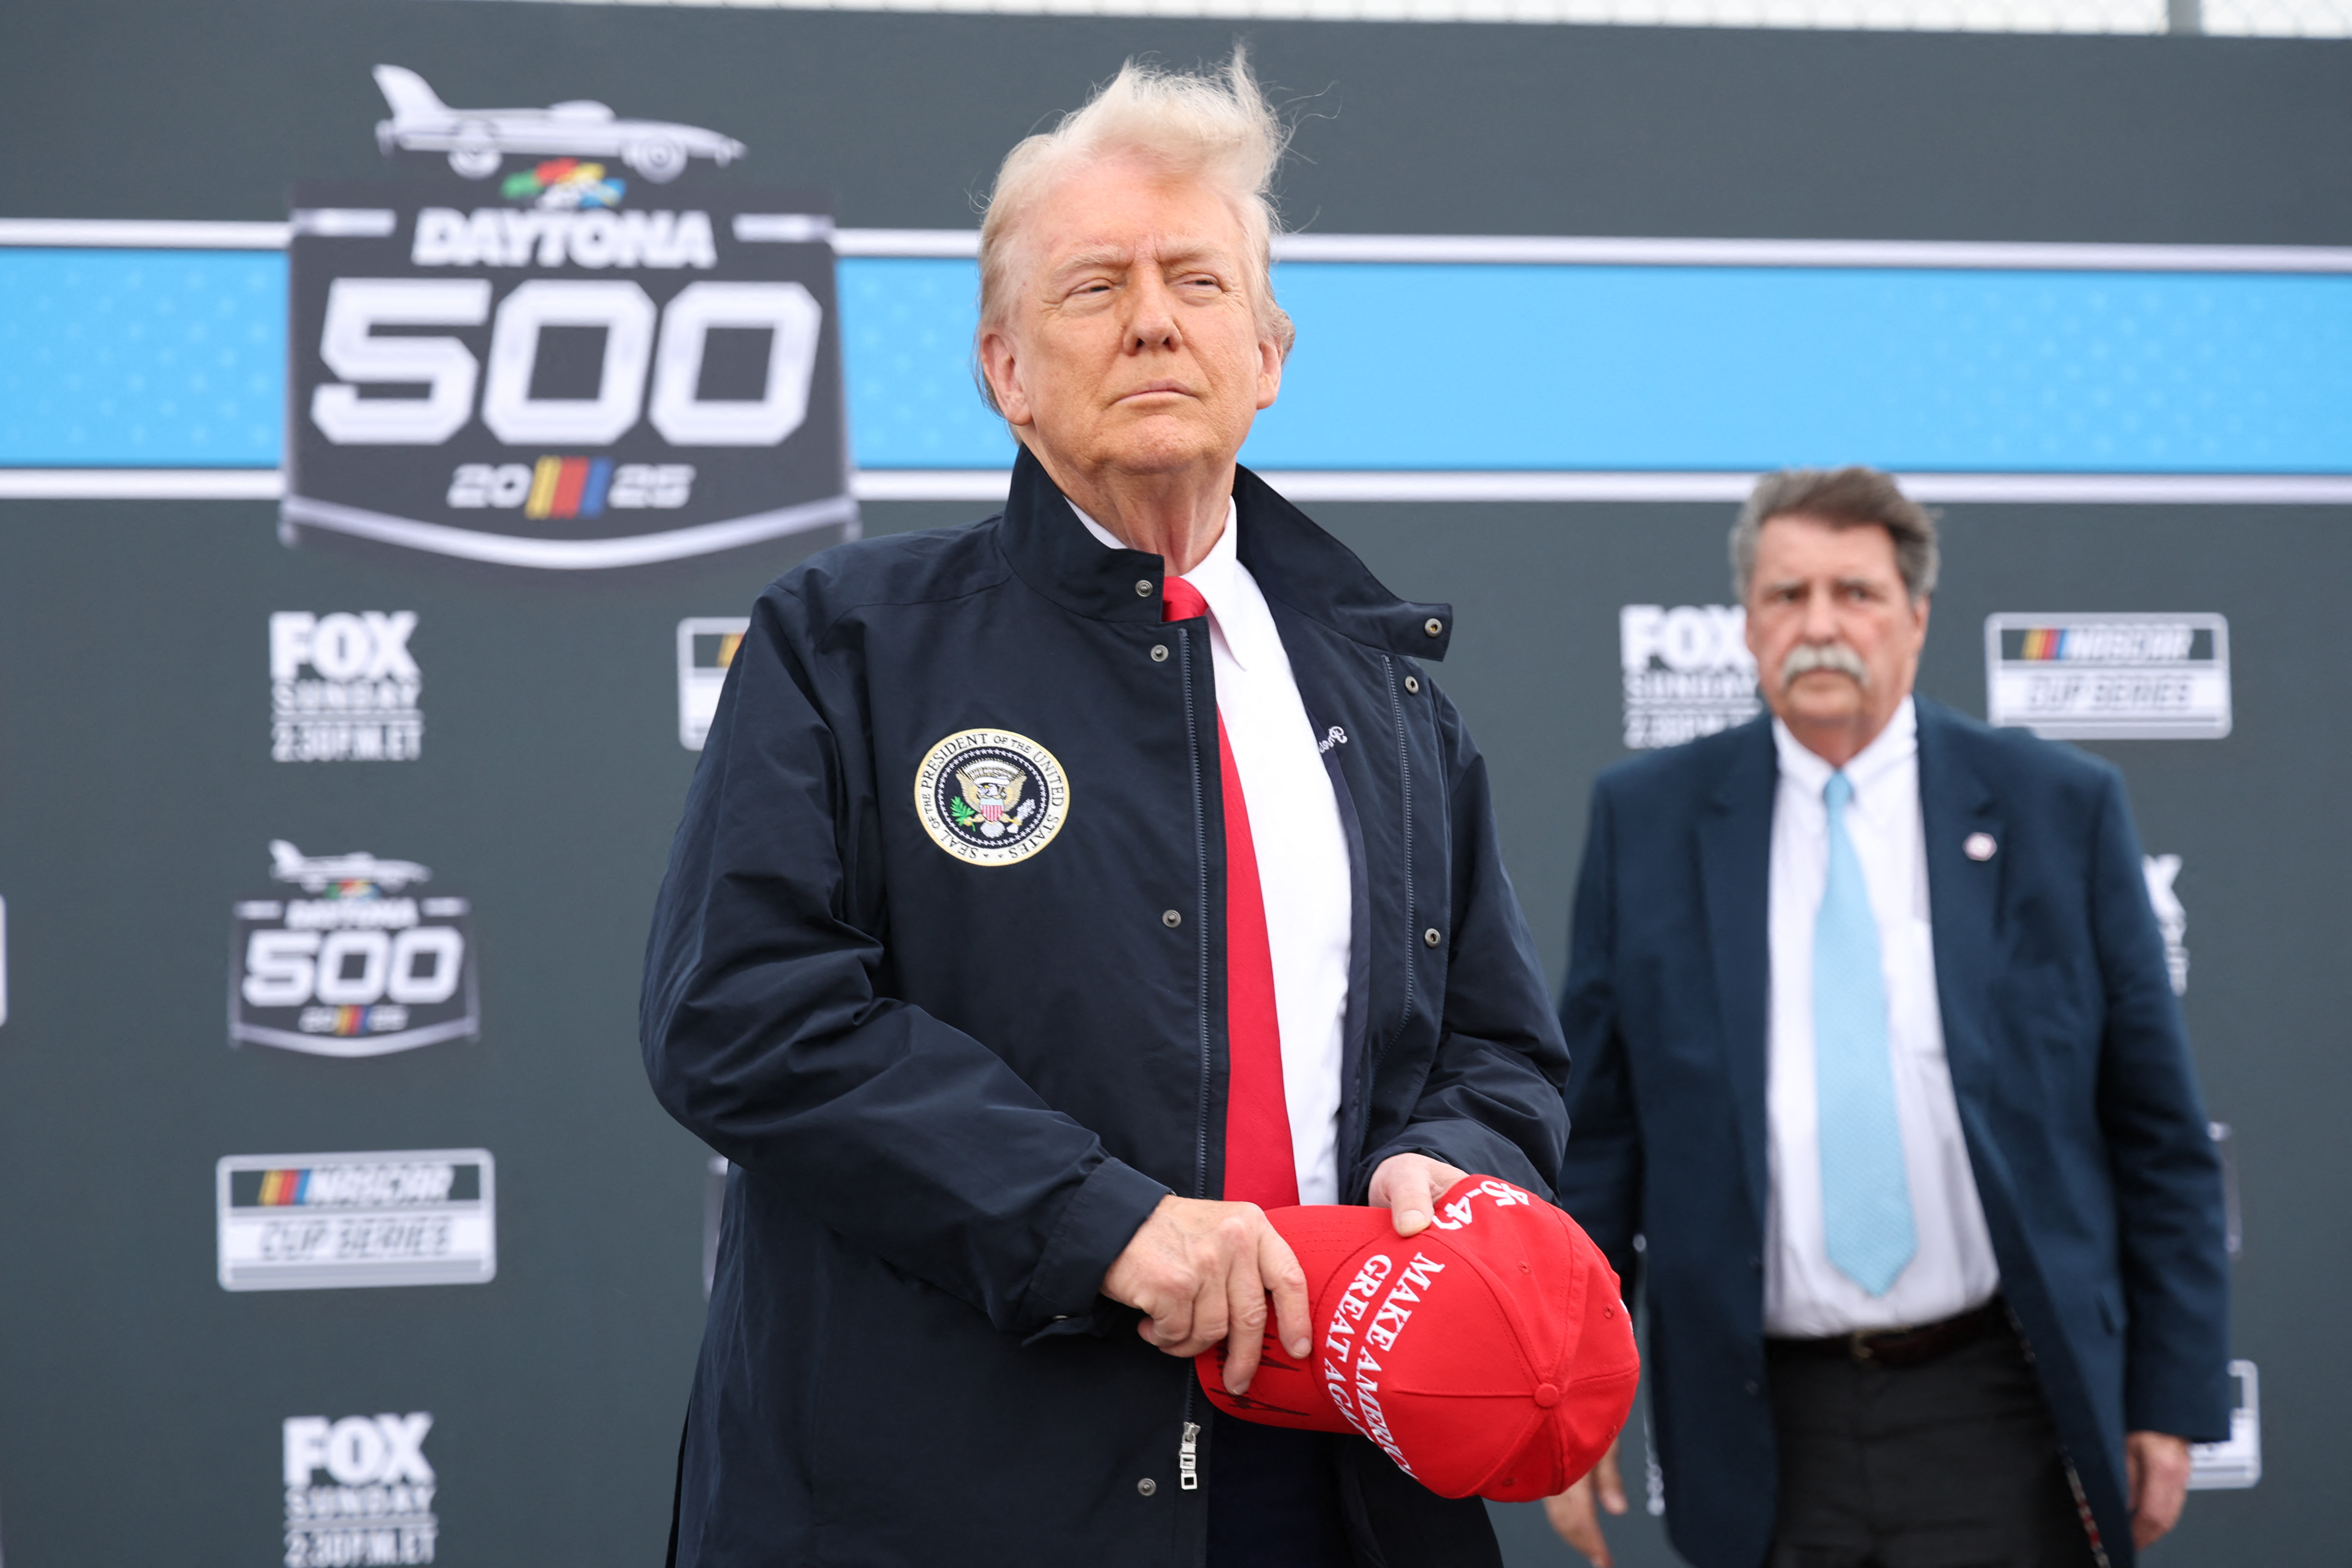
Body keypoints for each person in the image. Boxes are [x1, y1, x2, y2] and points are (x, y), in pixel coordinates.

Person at [640, 52, 1570, 1568]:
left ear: (1267, 351)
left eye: (1196, 280)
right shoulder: (850, 642)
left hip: (1337, 1485)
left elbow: (1501, 1043)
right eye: (1094, 287)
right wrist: (1104, 1224)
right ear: (1002, 368)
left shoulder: (1383, 688)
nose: (1152, 316)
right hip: (952, 1496)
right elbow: (744, 1016)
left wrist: (1455, 1161)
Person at [1544, 468, 2230, 1568]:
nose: (1819, 625)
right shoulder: (1648, 823)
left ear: (1914, 617)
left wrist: (2172, 1395)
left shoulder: (2057, 810)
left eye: (1854, 593)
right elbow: (1601, 1148)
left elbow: (2157, 1136)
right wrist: (1564, 1404)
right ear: (1749, 621)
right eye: (1786, 595)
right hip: (1756, 1418)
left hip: (2001, 1403)